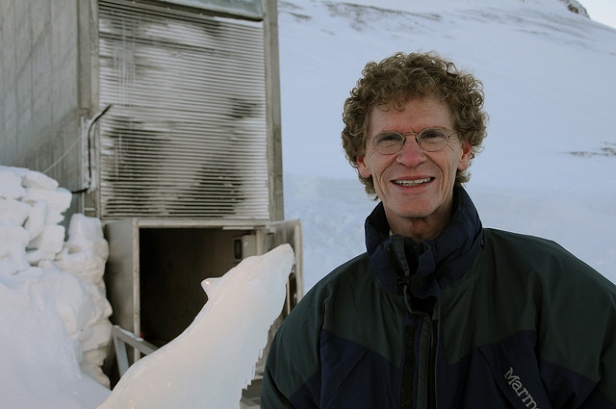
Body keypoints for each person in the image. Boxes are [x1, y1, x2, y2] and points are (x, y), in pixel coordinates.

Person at [261, 51, 616, 408]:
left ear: (463, 151)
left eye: (431, 135)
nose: (411, 157)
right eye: (388, 139)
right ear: (362, 159)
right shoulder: (320, 321)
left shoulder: (550, 289)